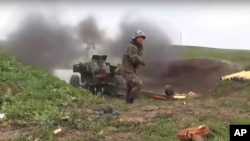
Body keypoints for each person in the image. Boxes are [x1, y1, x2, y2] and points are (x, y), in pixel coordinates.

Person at [121, 30, 146, 104]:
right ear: (135, 38)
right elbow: (134, 58)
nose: (141, 39)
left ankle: (127, 104)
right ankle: (130, 101)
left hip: (131, 70)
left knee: (130, 87)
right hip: (127, 71)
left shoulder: (137, 47)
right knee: (139, 84)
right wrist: (142, 62)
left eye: (142, 38)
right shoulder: (132, 47)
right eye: (139, 38)